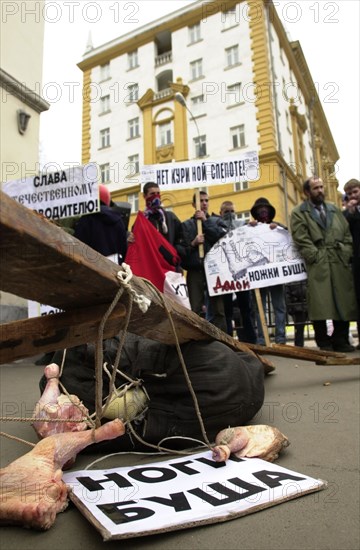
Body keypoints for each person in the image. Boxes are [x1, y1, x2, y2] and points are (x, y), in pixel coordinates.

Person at [40, 332, 265, 452]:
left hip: (218, 384)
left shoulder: (74, 366)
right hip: (237, 392)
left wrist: (80, 441)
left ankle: (75, 420)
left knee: (143, 425)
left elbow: (139, 433)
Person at [290, 176, 357, 352]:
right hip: (319, 261)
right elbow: (300, 237)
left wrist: (345, 252)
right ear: (307, 192)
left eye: (321, 187)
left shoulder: (334, 210)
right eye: (315, 188)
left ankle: (341, 340)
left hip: (338, 260)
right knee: (320, 302)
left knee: (343, 300)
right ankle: (323, 341)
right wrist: (314, 255)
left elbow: (347, 235)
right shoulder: (299, 212)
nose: (320, 190)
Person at [176, 191, 227, 332]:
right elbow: (181, 251)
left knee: (218, 309)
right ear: (194, 204)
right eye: (201, 201)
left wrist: (206, 222)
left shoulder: (216, 221)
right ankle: (196, 340)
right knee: (195, 308)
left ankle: (222, 339)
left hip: (214, 271)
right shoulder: (186, 225)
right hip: (195, 270)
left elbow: (222, 238)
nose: (204, 203)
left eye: (206, 200)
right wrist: (193, 244)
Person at [249, 197, 287, 345]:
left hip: (276, 273)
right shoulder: (250, 228)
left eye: (265, 209)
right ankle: (262, 338)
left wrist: (278, 227)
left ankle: (280, 339)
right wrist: (248, 228)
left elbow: (288, 236)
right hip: (259, 274)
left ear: (270, 212)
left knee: (279, 306)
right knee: (260, 308)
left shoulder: (277, 227)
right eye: (260, 209)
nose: (263, 212)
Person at [218, 200, 257, 343]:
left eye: (232, 211)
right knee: (227, 311)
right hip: (224, 274)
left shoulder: (242, 225)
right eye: (227, 211)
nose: (230, 214)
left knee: (246, 309)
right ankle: (229, 342)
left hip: (241, 273)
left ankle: (252, 341)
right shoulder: (217, 225)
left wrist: (252, 227)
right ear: (221, 213)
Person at [74, 184, 127, 263]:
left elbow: (78, 246)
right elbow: (124, 249)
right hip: (114, 268)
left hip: (91, 267)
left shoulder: (87, 218)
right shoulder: (119, 220)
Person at [128, 182, 182, 246]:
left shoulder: (170, 217)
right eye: (152, 194)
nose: (156, 197)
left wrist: (176, 251)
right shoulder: (141, 221)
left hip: (168, 255)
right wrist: (129, 240)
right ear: (145, 196)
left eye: (158, 193)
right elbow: (136, 244)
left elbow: (181, 238)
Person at [343, 178, 360, 349]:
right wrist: (349, 211)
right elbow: (342, 229)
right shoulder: (349, 213)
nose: (353, 196)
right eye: (349, 194)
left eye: (355, 192)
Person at [285, 281, 308, 347]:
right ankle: (299, 344)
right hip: (298, 305)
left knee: (299, 327)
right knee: (299, 327)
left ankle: (299, 344)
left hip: (300, 304)